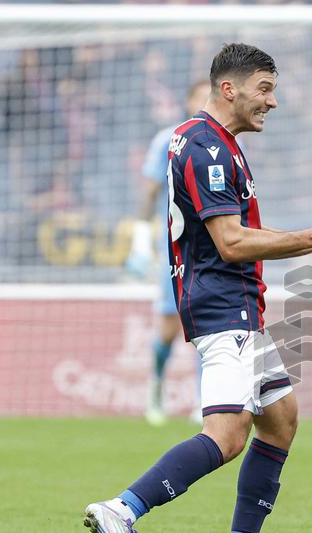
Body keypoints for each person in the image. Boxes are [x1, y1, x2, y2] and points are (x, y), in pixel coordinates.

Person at [84, 43, 312, 533]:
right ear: (229, 88)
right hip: (222, 306)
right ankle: (122, 509)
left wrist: (306, 240)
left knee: (279, 421)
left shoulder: (212, 141)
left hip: (238, 309)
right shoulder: (207, 147)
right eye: (265, 88)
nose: (272, 102)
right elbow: (230, 242)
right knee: (228, 435)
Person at [138, 79, 212, 426]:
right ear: (187, 101)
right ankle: (156, 384)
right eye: (199, 96)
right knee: (170, 325)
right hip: (175, 249)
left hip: (211, 249)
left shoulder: (222, 142)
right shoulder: (168, 139)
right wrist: (141, 238)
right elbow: (150, 191)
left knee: (207, 325)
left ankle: (204, 402)